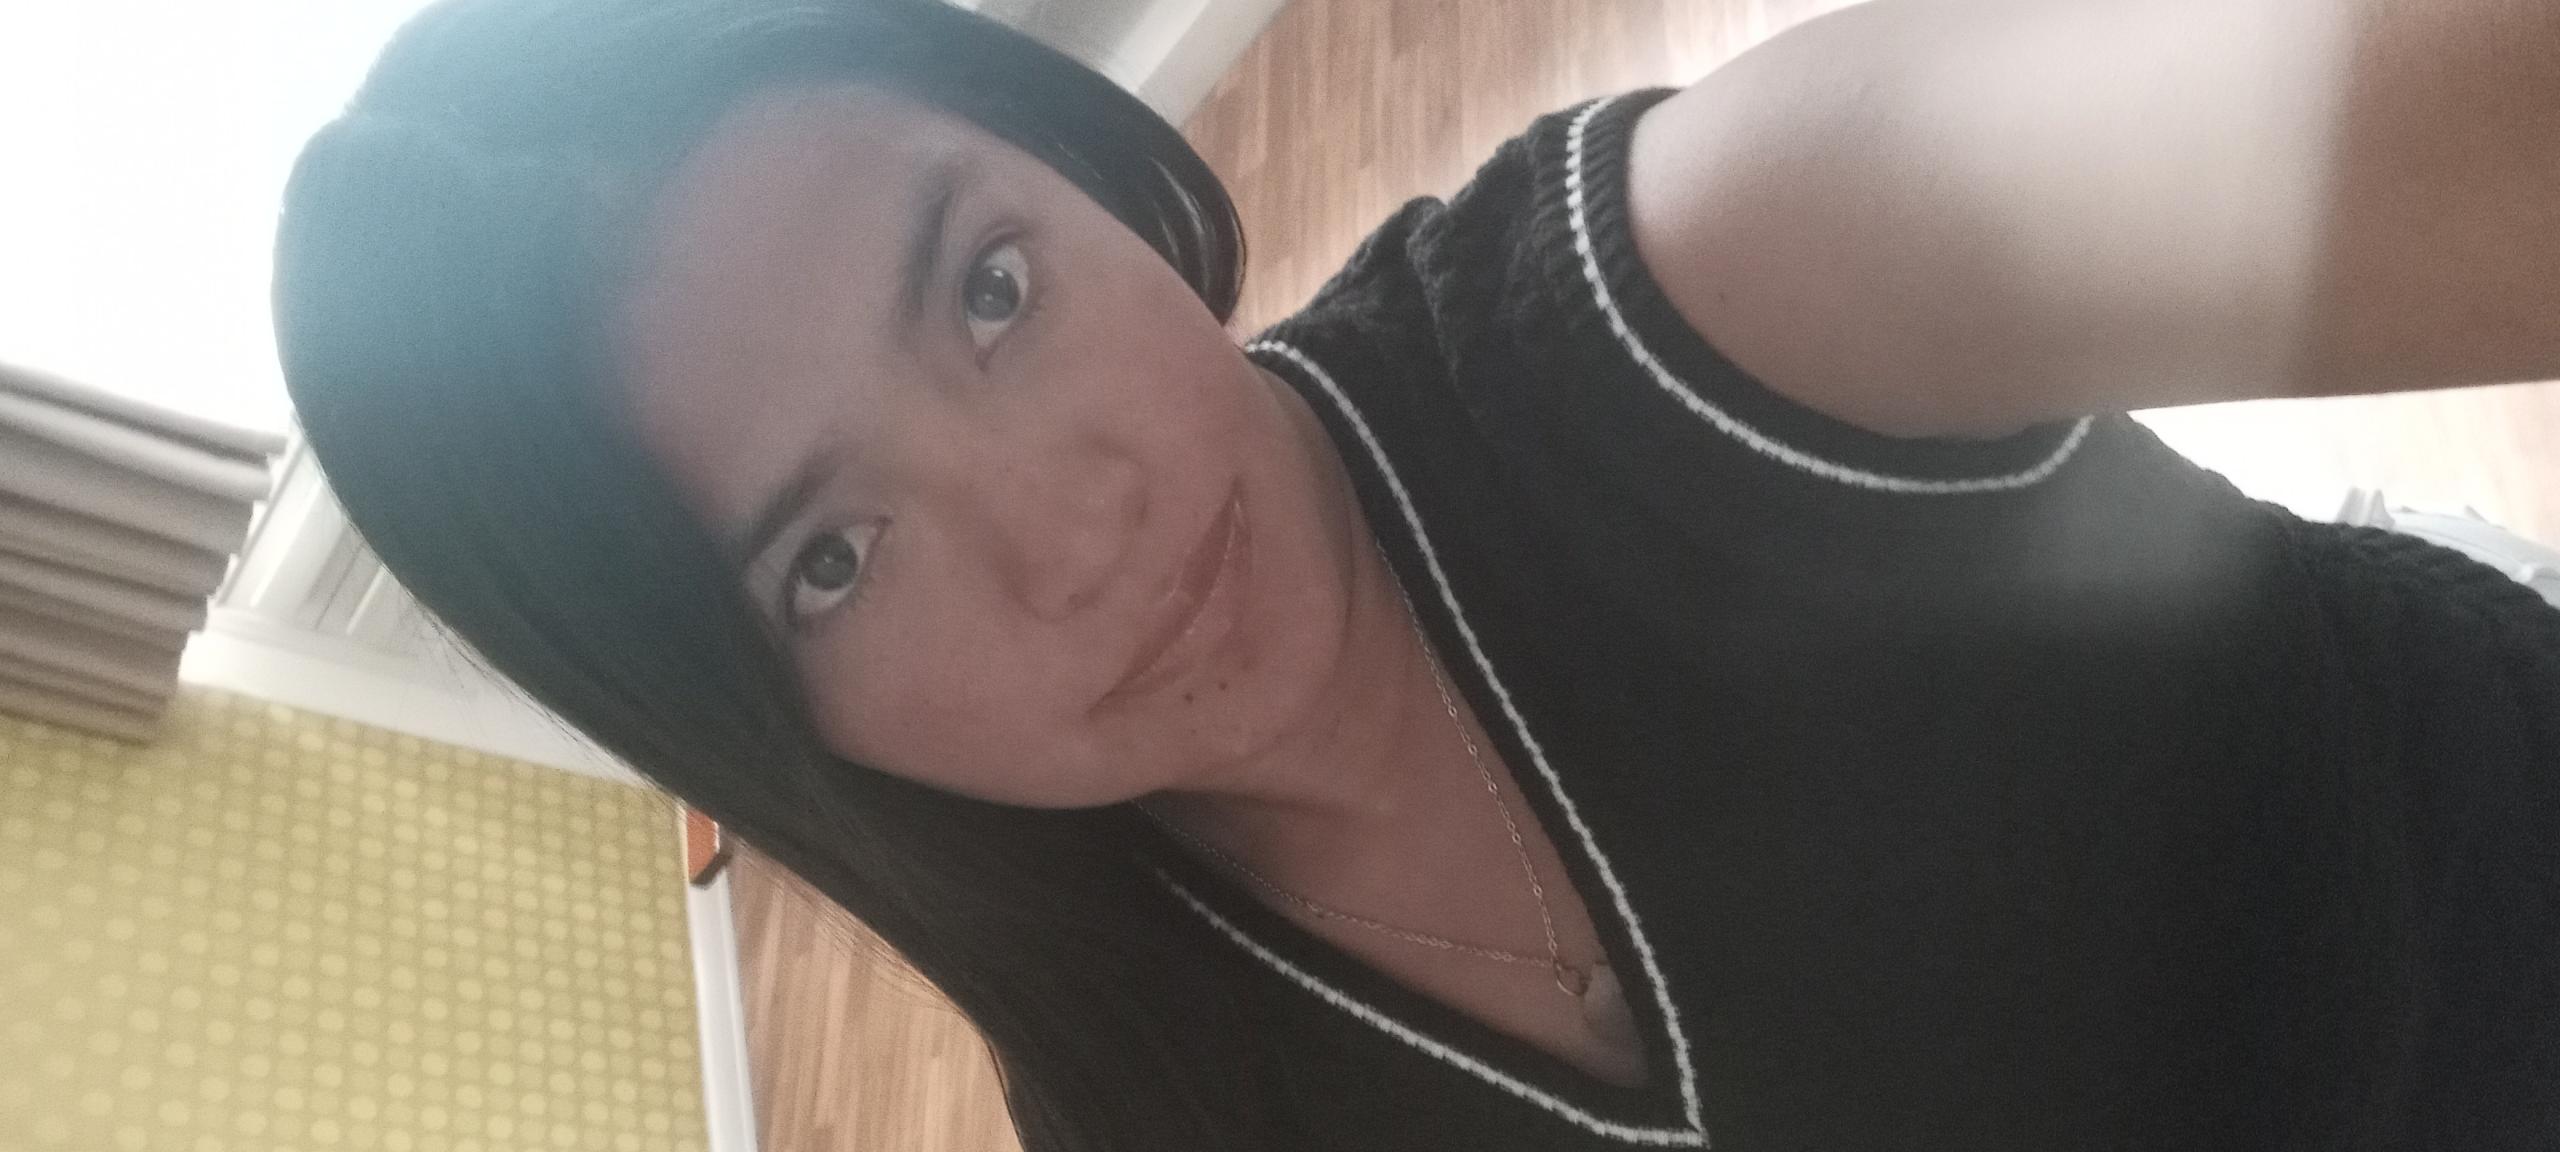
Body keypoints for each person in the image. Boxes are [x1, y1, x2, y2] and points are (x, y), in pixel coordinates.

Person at [272, 0, 2560, 1147]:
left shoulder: (1693, 295)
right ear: (765, 731)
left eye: (986, 286)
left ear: (1065, 158)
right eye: (834, 556)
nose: (1075, 527)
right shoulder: (1140, 1090)